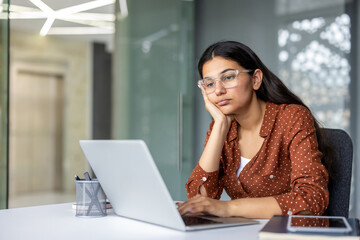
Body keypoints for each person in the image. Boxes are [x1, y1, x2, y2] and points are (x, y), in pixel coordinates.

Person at [177, 41, 330, 219]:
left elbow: (311, 199)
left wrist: (228, 208)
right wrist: (219, 126)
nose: (218, 90)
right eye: (209, 84)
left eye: (228, 77)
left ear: (255, 79)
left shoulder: (292, 117)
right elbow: (201, 199)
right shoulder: (221, 129)